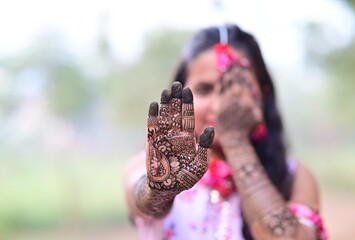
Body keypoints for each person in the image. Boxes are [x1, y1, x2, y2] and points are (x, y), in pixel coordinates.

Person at [124, 23, 327, 240]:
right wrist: (160, 191)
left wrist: (236, 141)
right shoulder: (147, 167)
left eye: (236, 89)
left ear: (263, 96)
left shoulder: (295, 177)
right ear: (182, 96)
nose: (221, 106)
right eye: (204, 89)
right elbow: (144, 201)